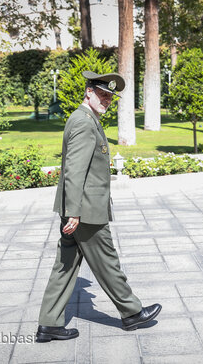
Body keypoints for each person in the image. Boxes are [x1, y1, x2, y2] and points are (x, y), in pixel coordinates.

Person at [35, 71, 162, 343]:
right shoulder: (83, 122)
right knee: (107, 261)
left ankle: (49, 324)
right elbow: (75, 171)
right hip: (86, 213)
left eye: (110, 97)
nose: (107, 100)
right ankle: (131, 312)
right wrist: (75, 212)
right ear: (88, 92)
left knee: (65, 266)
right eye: (102, 94)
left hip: (79, 209)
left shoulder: (85, 118)